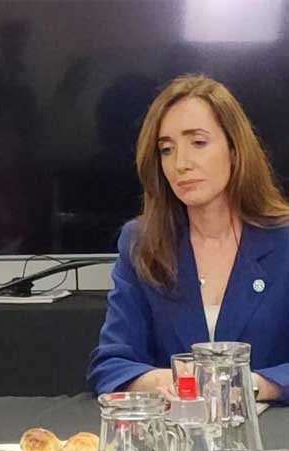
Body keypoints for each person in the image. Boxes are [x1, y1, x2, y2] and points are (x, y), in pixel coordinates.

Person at [87, 74, 289, 401]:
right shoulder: (141, 243)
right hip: (175, 429)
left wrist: (252, 386)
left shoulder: (283, 241)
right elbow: (112, 363)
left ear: (235, 149)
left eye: (198, 143)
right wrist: (166, 380)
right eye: (167, 150)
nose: (181, 163)